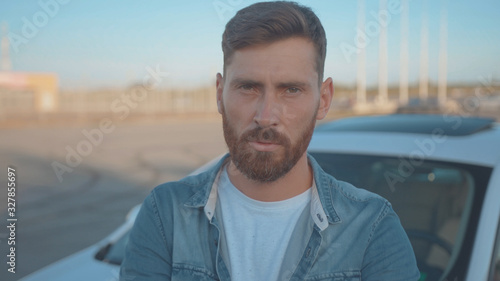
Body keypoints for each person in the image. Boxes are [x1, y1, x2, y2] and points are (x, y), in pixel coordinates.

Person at [120, 1, 420, 280]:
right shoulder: (166, 213)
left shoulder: (371, 227)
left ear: (324, 100)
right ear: (219, 94)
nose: (266, 116)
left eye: (291, 90)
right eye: (248, 87)